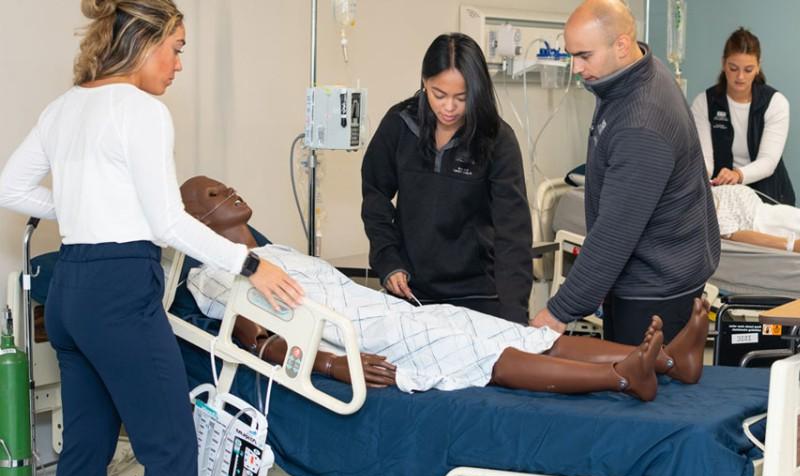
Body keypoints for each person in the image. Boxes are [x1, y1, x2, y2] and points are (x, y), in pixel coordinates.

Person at [0, 3, 302, 476]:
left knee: (84, 453)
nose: (179, 63)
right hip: (119, 294)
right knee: (170, 450)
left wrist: (78, 208)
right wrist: (249, 263)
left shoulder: (64, 107)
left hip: (70, 293)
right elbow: (167, 222)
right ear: (143, 43)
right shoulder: (140, 112)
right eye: (176, 48)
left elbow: (10, 187)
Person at [181, 176, 710, 400]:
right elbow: (253, 340)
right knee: (483, 355)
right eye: (211, 190)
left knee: (509, 333)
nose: (227, 189)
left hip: (399, 315)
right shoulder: (217, 270)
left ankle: (668, 363)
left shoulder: (274, 252)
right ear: (192, 217)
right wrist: (334, 364)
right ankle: (621, 378)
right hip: (365, 339)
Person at [532, 0, 720, 344]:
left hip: (655, 293)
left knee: (639, 392)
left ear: (621, 44)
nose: (576, 67)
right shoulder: (640, 72)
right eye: (572, 55)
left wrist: (559, 311)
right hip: (662, 276)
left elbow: (614, 235)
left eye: (584, 56)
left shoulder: (642, 122)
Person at [361, 33, 532, 324]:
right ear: (424, 82)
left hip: (477, 295)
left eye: (462, 98)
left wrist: (515, 316)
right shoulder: (400, 124)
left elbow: (512, 234)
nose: (449, 107)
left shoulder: (497, 139)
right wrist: (388, 261)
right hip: (411, 293)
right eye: (438, 94)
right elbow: (375, 194)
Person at [690, 27, 795, 205]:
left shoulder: (776, 103)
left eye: (748, 70)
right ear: (724, 64)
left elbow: (768, 162)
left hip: (770, 198)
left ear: (758, 67)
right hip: (724, 196)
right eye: (733, 68)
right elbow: (706, 162)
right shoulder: (704, 103)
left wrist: (738, 175)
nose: (740, 77)